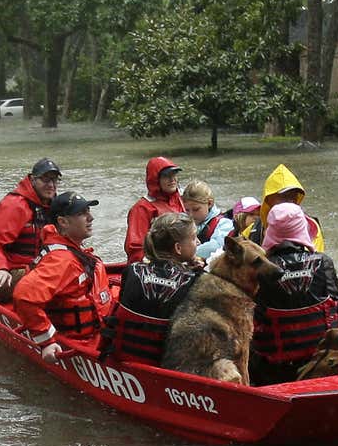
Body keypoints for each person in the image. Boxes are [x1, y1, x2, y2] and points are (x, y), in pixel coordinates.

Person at [11, 191, 116, 364]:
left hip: (96, 335)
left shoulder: (70, 250)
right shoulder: (62, 260)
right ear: (63, 222)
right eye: (82, 213)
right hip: (83, 345)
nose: (91, 218)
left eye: (89, 211)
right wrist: (46, 342)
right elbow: (24, 296)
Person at [251, 202, 338, 385]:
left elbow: (255, 317)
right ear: (302, 231)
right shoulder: (324, 263)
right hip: (321, 361)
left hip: (272, 370)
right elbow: (337, 306)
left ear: (271, 233)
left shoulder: (258, 271)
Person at [101, 212, 203, 367]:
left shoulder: (132, 270)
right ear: (178, 248)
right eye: (194, 238)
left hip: (122, 354)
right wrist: (198, 271)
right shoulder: (193, 280)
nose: (198, 242)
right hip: (163, 365)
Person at [0, 158, 62, 302]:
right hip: (13, 273)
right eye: (45, 180)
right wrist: (0, 268)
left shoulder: (55, 205)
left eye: (54, 180)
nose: (51, 185)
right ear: (32, 179)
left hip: (42, 268)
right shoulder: (14, 205)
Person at [247, 164, 325, 252]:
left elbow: (315, 260)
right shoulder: (252, 231)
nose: (292, 200)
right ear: (268, 199)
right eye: (284, 196)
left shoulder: (311, 228)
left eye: (294, 195)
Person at [124, 156, 185, 262]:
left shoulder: (182, 199)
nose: (172, 179)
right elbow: (135, 250)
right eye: (166, 176)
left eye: (174, 174)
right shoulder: (141, 209)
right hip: (159, 265)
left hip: (182, 257)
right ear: (155, 179)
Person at [184, 180, 234, 261]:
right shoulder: (185, 223)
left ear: (209, 203)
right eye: (187, 210)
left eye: (196, 209)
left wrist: (185, 253)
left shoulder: (224, 224)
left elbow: (215, 247)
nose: (191, 215)